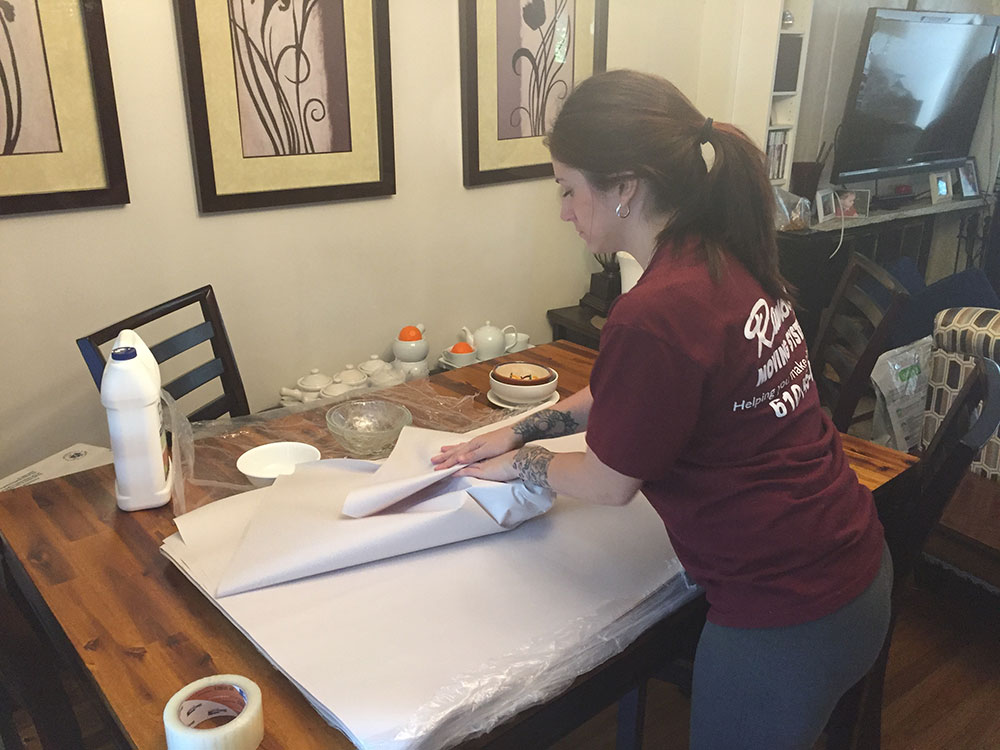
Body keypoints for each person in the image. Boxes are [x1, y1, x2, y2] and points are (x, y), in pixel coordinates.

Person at [432, 70, 892, 749]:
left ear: (625, 187)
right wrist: (518, 429)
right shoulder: (719, 253)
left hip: (784, 618)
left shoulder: (655, 312)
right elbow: (630, 392)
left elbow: (608, 482)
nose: (564, 210)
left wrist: (524, 463)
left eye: (568, 188)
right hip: (854, 570)